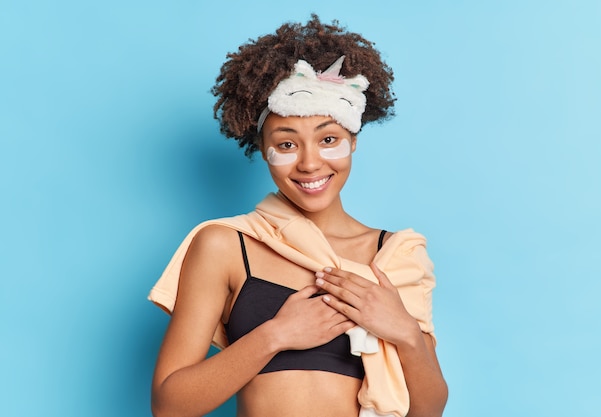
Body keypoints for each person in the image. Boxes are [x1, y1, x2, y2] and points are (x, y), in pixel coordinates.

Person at [148, 15, 447, 417]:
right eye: (286, 143)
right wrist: (276, 335)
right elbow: (170, 406)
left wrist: (406, 332)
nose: (310, 163)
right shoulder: (226, 244)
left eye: (328, 140)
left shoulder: (395, 256)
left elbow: (428, 411)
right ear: (261, 147)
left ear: (353, 141)